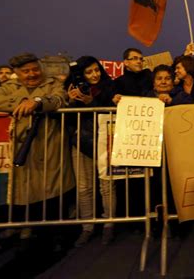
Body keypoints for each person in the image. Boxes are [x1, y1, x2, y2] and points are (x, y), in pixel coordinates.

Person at [0, 53, 75, 241]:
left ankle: (52, 232)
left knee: (51, 190)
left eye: (35, 69)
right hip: (20, 148)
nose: (32, 74)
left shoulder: (52, 84)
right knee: (23, 191)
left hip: (49, 145)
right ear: (17, 73)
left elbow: (59, 99)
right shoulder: (9, 87)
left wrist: (38, 102)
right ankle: (25, 227)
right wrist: (23, 103)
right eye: (26, 71)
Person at [64, 56, 117, 246]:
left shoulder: (109, 86)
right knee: (84, 187)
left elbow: (111, 109)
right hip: (80, 141)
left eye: (96, 70)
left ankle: (109, 224)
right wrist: (68, 100)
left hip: (104, 140)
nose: (94, 74)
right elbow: (65, 116)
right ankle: (87, 227)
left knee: (106, 186)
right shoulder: (70, 88)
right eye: (88, 72)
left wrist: (90, 102)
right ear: (81, 74)